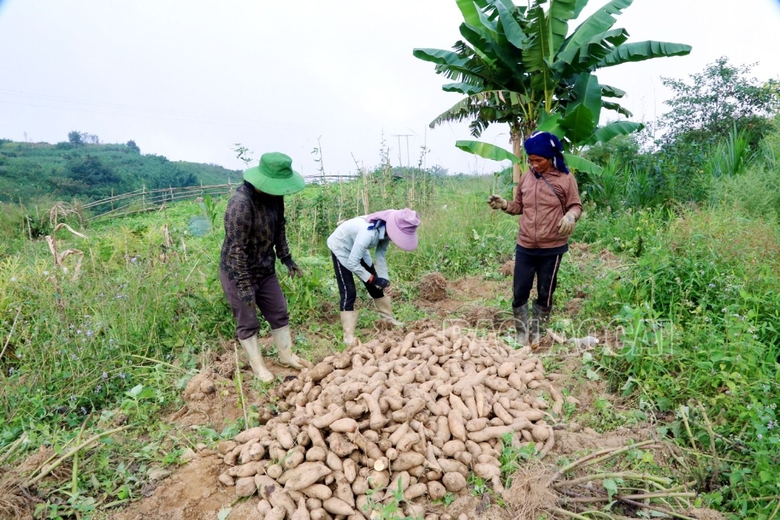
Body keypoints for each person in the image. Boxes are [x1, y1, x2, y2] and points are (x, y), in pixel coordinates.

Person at [487, 131, 582, 347]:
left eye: (538, 160)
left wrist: (570, 215)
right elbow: (518, 206)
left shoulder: (566, 179)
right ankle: (522, 333)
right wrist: (504, 204)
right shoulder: (526, 177)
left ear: (551, 157)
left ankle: (538, 332)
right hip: (526, 245)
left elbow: (576, 205)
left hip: (553, 247)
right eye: (530, 160)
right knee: (519, 290)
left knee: (545, 292)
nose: (534, 165)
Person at [219, 152, 307, 383]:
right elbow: (237, 249)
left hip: (265, 268)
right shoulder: (240, 204)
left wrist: (286, 258)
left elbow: (279, 228)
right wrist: (245, 286)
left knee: (278, 311)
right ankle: (258, 366)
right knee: (248, 321)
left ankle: (286, 355)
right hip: (238, 271)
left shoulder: (274, 197)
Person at [327, 208, 421, 345]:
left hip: (358, 246)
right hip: (340, 246)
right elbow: (353, 263)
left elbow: (380, 256)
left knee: (376, 287)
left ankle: (388, 320)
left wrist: (384, 281)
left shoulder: (386, 231)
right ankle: (348, 338)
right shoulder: (368, 233)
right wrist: (373, 279)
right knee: (349, 291)